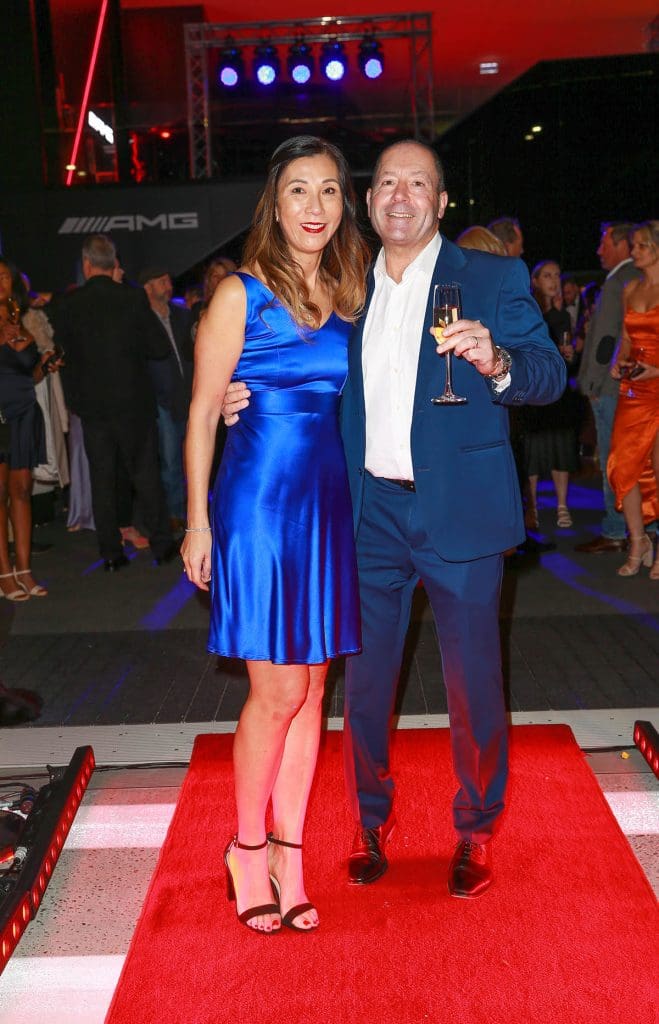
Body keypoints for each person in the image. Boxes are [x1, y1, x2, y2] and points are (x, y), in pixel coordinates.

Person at [224, 140, 565, 899]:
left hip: (461, 511)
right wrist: (234, 398)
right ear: (369, 200)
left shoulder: (492, 277)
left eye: (417, 183)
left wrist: (499, 362)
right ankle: (368, 821)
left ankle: (476, 828)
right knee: (365, 685)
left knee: (474, 684)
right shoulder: (345, 286)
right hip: (366, 511)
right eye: (386, 182)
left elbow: (549, 377)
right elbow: (292, 368)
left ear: (440, 203)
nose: (400, 196)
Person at [182, 136, 369, 934]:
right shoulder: (240, 293)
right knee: (278, 689)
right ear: (275, 202)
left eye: (328, 190)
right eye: (299, 190)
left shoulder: (350, 294)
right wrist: (196, 522)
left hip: (326, 505)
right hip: (257, 506)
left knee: (316, 688)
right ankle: (246, 848)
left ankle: (291, 856)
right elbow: (201, 412)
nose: (314, 206)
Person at [50, 234, 176, 571]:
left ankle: (110, 553)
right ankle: (163, 545)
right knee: (146, 476)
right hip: (134, 404)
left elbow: (63, 352)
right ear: (114, 263)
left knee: (102, 480)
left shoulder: (71, 304)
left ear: (86, 264)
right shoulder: (132, 298)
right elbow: (159, 348)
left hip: (94, 408)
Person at [575, 223, 640, 553]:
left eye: (604, 243)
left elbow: (610, 340)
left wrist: (595, 382)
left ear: (621, 245)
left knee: (613, 460)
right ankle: (635, 528)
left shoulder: (622, 279)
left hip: (610, 386)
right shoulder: (627, 277)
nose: (599, 250)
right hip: (620, 384)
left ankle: (616, 529)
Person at [0, 258, 56, 600]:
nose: (1, 282)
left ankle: (24, 569)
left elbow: (29, 374)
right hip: (0, 415)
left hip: (24, 411)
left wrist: (45, 367)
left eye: (5, 276)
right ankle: (4, 572)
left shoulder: (20, 319)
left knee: (22, 491)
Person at [607, 220, 659, 579]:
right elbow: (626, 338)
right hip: (633, 389)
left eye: (641, 245)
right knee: (623, 467)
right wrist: (619, 361)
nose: (634, 251)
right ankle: (638, 541)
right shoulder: (630, 288)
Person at [519, 260, 579, 529]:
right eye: (547, 276)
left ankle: (562, 506)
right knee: (532, 451)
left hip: (558, 391)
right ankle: (532, 508)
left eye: (557, 275)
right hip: (534, 391)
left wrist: (570, 355)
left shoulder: (563, 315)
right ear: (535, 281)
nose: (554, 281)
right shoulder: (529, 312)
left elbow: (568, 361)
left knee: (560, 448)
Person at [139, 267, 193, 532]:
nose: (168, 284)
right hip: (161, 400)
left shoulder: (182, 315)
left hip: (189, 395)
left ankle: (194, 510)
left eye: (168, 279)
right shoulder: (142, 321)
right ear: (147, 287)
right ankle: (175, 513)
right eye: (161, 280)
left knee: (192, 458)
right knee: (171, 461)